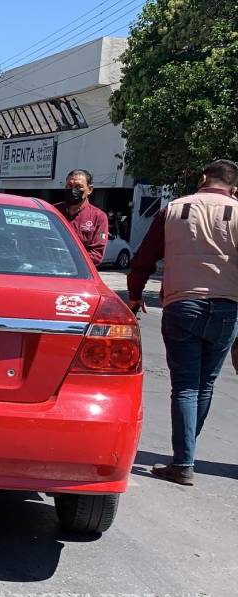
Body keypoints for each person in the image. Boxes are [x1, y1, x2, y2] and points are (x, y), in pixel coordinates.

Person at [127, 159, 238, 486]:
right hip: (226, 310)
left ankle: (183, 461)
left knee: (186, 386)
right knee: (205, 384)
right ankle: (186, 453)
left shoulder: (172, 210)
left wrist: (134, 296)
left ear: (203, 178)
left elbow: (143, 261)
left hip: (182, 305)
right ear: (233, 187)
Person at [52, 169, 109, 264]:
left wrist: (67, 260)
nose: (73, 190)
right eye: (69, 186)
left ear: (89, 189)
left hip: (78, 275)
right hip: (50, 270)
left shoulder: (99, 217)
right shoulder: (53, 211)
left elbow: (97, 254)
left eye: (78, 187)